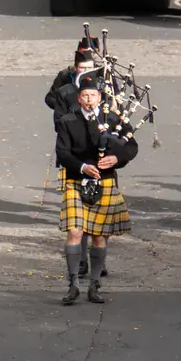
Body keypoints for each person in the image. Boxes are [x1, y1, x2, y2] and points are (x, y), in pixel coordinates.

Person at [55, 78, 137, 306]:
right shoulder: (67, 121)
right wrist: (82, 166)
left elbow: (132, 146)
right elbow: (62, 152)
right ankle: (73, 285)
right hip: (76, 179)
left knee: (100, 235)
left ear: (100, 98)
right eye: (85, 96)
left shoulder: (113, 119)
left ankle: (94, 286)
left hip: (105, 181)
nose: (89, 100)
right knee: (75, 232)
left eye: (94, 96)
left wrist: (117, 158)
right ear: (79, 98)